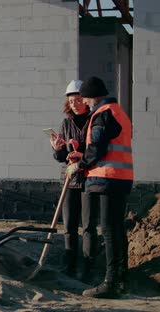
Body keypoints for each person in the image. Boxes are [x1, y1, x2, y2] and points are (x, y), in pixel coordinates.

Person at [66, 76, 133, 299]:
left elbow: (97, 149)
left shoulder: (102, 114)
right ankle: (121, 279)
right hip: (121, 178)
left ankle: (111, 283)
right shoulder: (118, 111)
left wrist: (79, 165)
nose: (84, 102)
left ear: (92, 96)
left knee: (110, 230)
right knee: (117, 228)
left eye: (84, 98)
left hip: (107, 179)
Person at [49, 79, 96, 280]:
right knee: (69, 226)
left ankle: (87, 269)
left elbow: (96, 151)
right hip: (70, 178)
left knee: (88, 227)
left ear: (86, 100)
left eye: (78, 100)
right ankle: (69, 265)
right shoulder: (66, 123)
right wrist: (57, 149)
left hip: (89, 179)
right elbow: (61, 158)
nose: (75, 104)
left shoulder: (94, 120)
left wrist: (80, 153)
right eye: (71, 100)